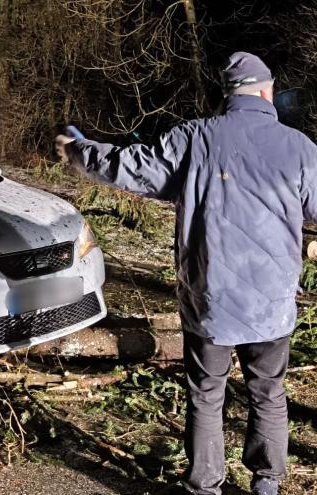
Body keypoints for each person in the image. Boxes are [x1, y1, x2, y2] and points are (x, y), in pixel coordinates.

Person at [55, 52, 317, 495]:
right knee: (268, 392)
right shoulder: (300, 148)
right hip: (272, 303)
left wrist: (79, 150)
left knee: (207, 394)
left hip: (210, 300)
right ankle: (268, 482)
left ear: (227, 94)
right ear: (267, 92)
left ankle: (205, 486)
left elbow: (130, 165)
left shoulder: (194, 138)